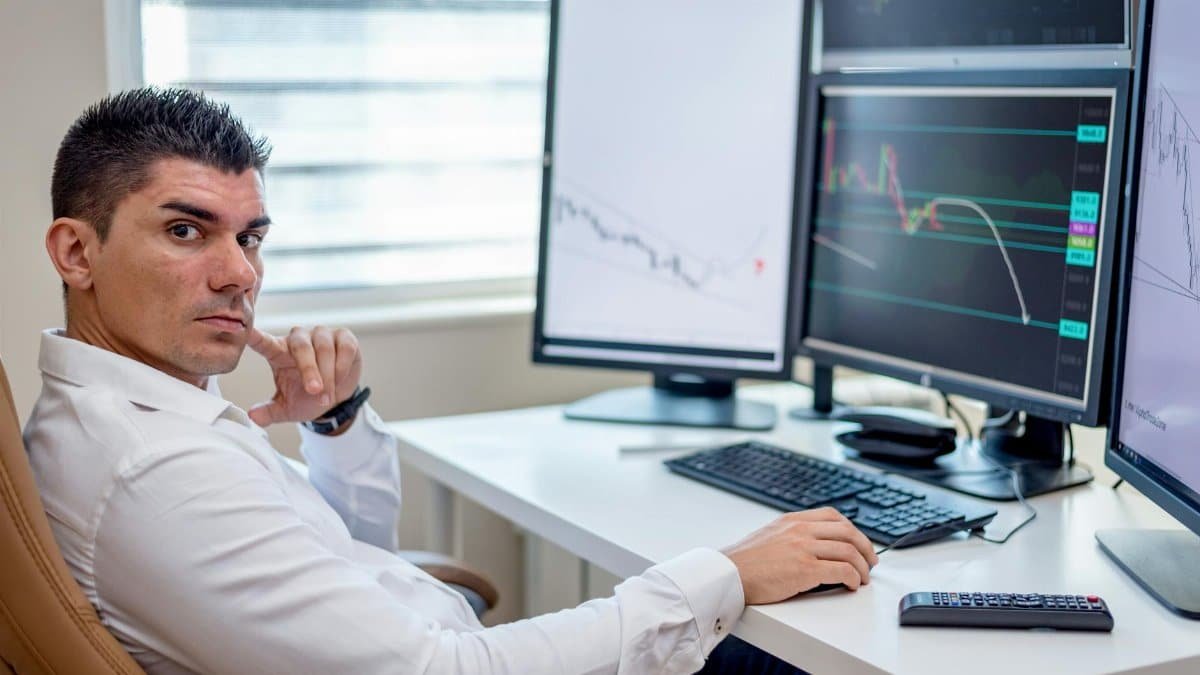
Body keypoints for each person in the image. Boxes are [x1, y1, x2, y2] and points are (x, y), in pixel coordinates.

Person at [24, 87, 877, 675]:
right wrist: (724, 572)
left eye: (250, 238)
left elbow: (353, 557)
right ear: (77, 251)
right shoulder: (157, 468)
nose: (238, 274)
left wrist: (335, 420)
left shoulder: (144, 408)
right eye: (186, 230)